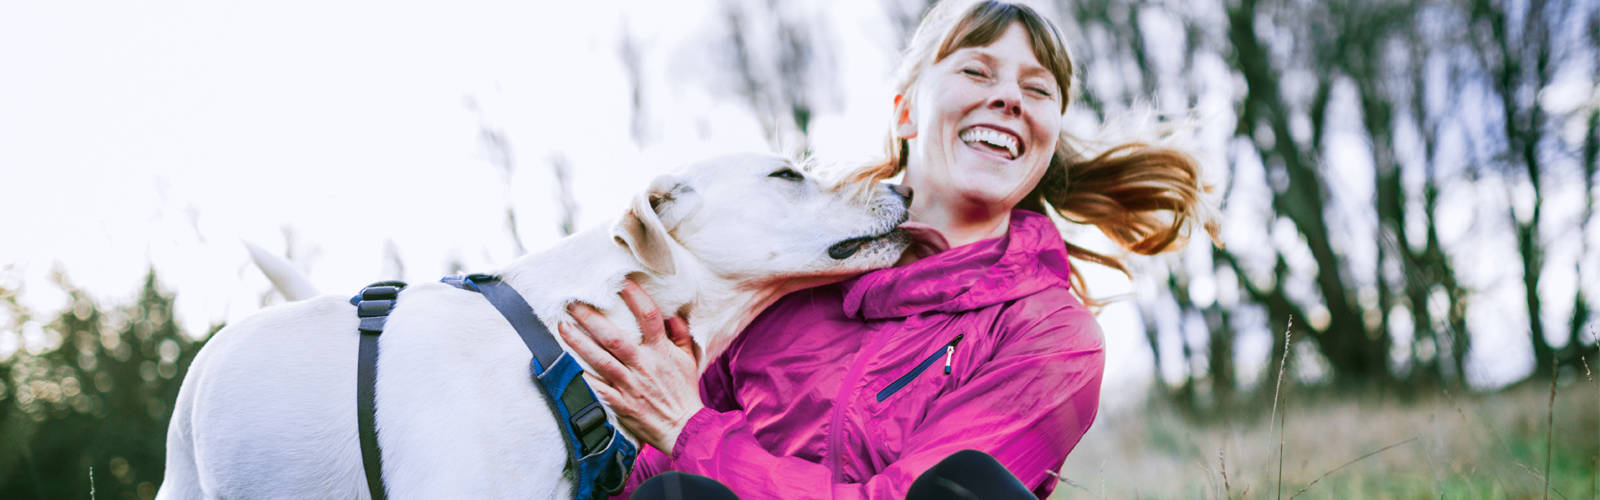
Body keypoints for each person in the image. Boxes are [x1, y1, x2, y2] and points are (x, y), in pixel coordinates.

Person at [557, 0, 1217, 498]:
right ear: (905, 112)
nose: (1010, 98)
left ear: (1045, 140)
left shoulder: (1051, 338)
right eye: (977, 70)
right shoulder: (789, 280)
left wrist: (692, 433)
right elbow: (659, 458)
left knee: (969, 489)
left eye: (1037, 89)